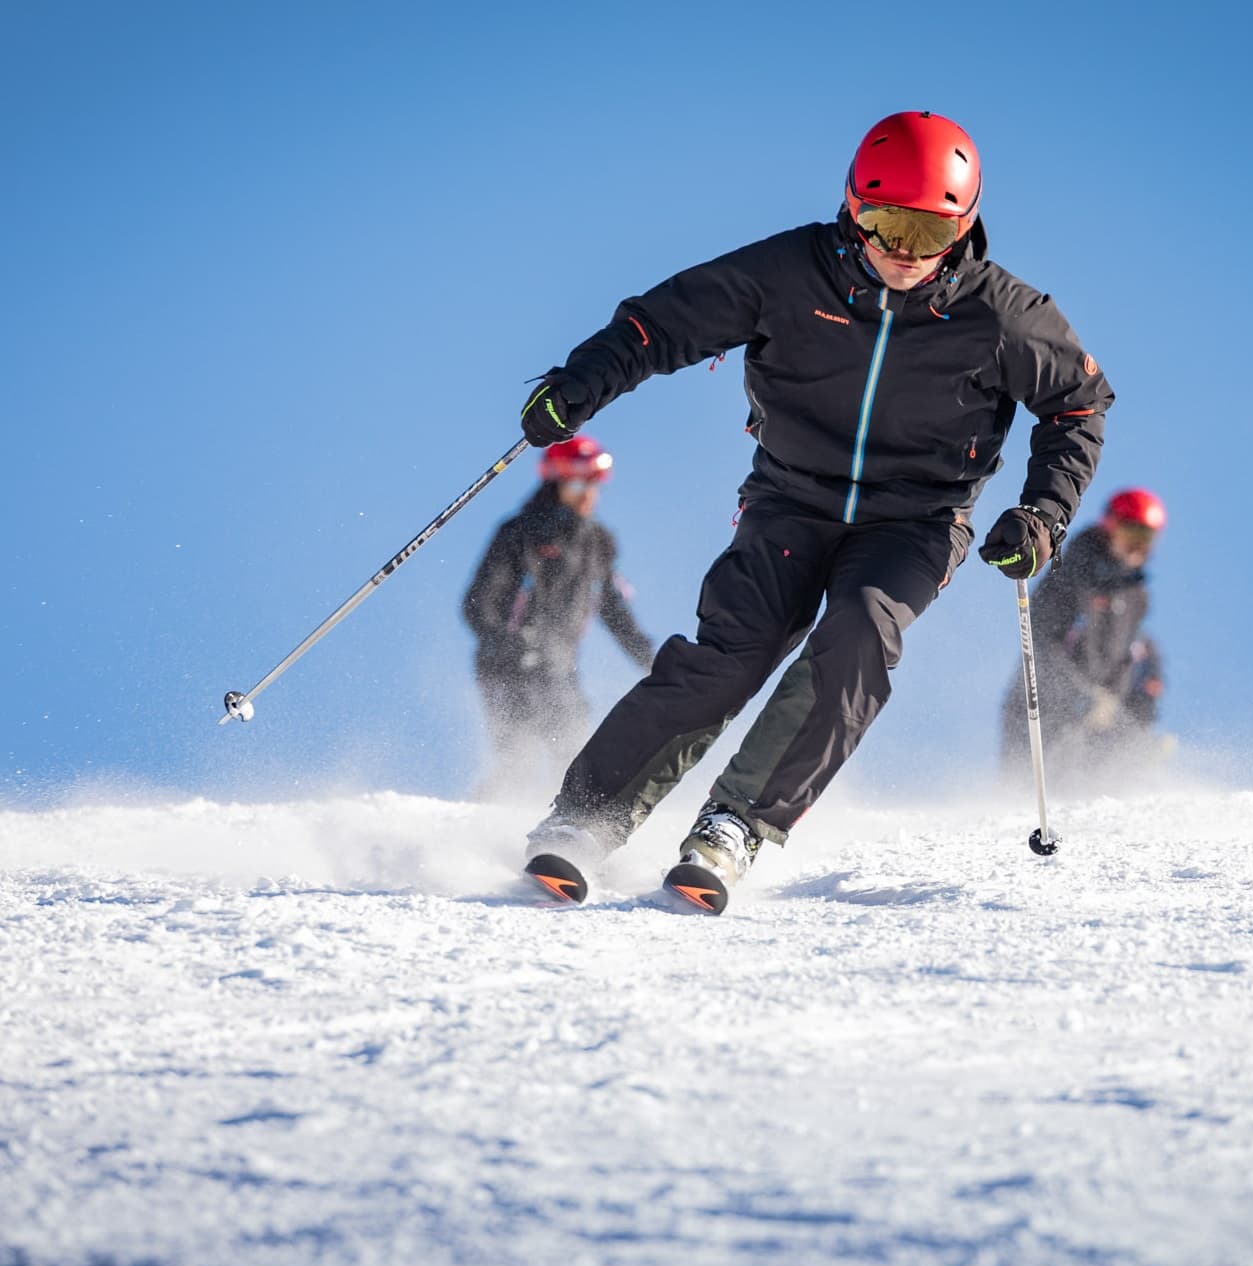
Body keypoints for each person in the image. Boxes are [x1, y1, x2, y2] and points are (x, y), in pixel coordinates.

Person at [516, 110, 1115, 912]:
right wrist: (583, 380)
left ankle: (734, 824)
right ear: (852, 207)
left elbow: (1079, 408)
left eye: (924, 229)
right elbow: (661, 323)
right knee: (730, 652)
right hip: (791, 501)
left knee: (859, 637)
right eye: (883, 223)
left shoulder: (1001, 315)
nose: (901, 252)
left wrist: (1040, 516)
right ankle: (585, 820)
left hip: (917, 522)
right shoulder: (790, 273)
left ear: (964, 226)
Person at [462, 435, 655, 792]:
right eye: (578, 483)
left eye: (594, 485)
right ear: (556, 483)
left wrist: (652, 661)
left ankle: (563, 832)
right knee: (517, 759)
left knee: (575, 755)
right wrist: (509, 643)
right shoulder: (520, 532)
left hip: (559, 666)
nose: (587, 494)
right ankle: (483, 820)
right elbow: (477, 603)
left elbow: (614, 610)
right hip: (507, 665)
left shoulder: (597, 541)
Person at [1003, 487, 1167, 776]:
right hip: (1043, 715)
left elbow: (1131, 652)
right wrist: (1081, 695)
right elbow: (1039, 642)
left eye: (1146, 538)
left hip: (1093, 725)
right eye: (1131, 534)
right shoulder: (1071, 575)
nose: (1137, 546)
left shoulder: (1135, 595)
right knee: (1042, 792)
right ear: (1110, 528)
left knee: (1104, 793)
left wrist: (1128, 710)